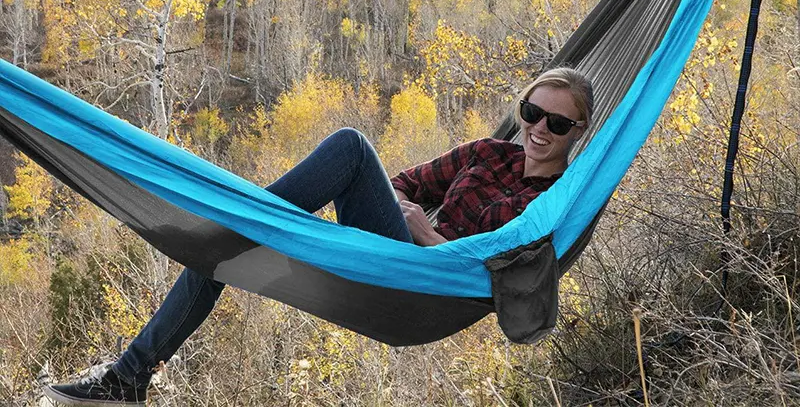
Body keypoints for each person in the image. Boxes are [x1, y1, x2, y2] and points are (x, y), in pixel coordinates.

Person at [44, 67, 593, 405]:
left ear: (580, 133)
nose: (539, 129)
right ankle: (128, 379)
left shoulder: (557, 202)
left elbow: (504, 268)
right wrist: (405, 211)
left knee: (350, 148)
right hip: (382, 257)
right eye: (531, 112)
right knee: (221, 255)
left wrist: (429, 241)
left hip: (425, 289)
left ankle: (241, 219)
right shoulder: (486, 153)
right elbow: (403, 183)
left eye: (558, 124)